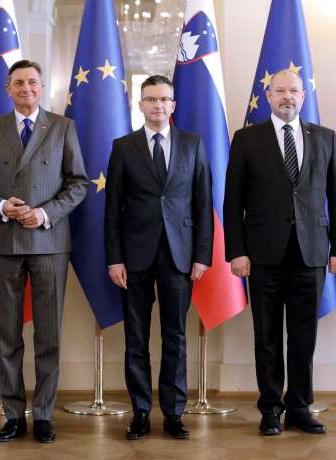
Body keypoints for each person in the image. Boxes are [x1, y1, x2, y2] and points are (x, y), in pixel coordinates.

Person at [0, 59, 88, 444]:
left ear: (42, 87)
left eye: (33, 82)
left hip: (50, 243)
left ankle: (45, 415)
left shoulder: (63, 127)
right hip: (4, 244)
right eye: (18, 82)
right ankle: (13, 415)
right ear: (8, 88)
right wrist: (2, 207)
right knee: (8, 335)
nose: (26, 88)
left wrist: (44, 213)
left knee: (49, 335)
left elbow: (79, 183)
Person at [223, 69, 336, 436]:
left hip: (311, 254)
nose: (287, 97)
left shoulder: (325, 138)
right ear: (268, 96)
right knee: (265, 337)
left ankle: (299, 408)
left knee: (303, 336)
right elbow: (233, 203)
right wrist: (237, 251)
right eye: (280, 91)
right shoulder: (246, 140)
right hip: (262, 254)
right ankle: (270, 411)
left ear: (304, 96)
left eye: (294, 91)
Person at [104, 75, 214, 440]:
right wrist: (114, 258)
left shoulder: (193, 144)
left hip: (180, 256)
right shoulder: (124, 147)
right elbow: (112, 210)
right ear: (140, 105)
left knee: (175, 336)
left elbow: (203, 203)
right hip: (134, 256)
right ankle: (139, 412)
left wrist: (202, 255)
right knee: (135, 337)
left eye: (164, 99)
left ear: (173, 105)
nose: (158, 105)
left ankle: (173, 413)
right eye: (150, 99)